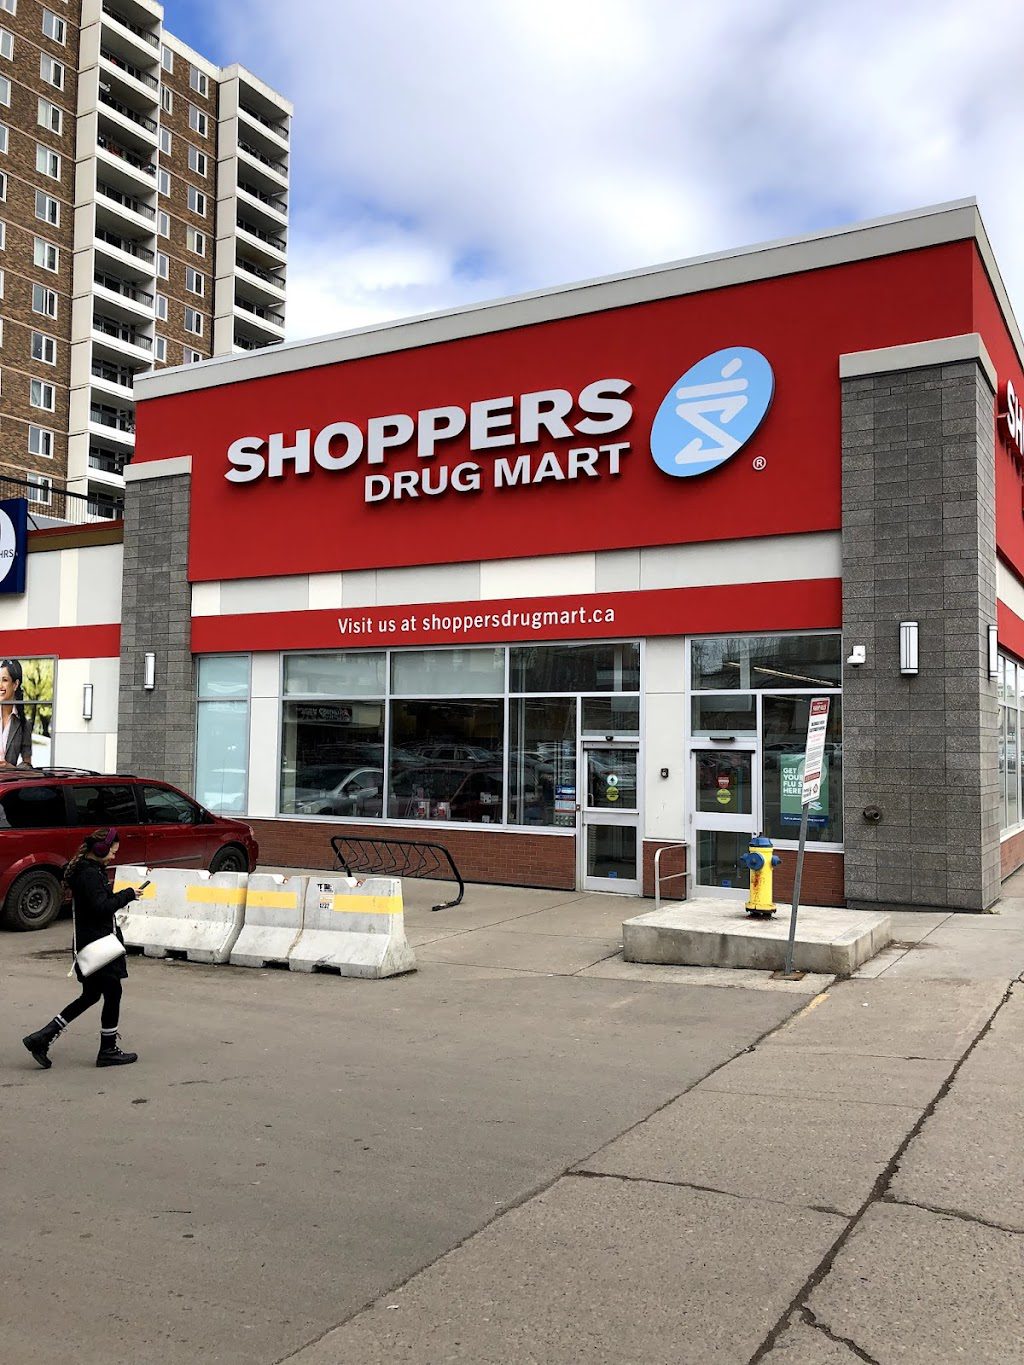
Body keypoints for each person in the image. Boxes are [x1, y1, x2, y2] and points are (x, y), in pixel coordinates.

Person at [22, 828, 139, 1069]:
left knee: (91, 995)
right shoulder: (89, 874)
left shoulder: (87, 870)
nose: (114, 856)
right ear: (100, 849)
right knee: (112, 992)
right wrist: (127, 895)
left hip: (89, 941)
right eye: (113, 851)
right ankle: (108, 1050)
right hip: (99, 944)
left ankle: (42, 1037)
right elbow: (101, 907)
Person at [0, 658, 33, 767]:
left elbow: (27, 765)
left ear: (15, 684)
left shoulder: (24, 724)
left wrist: (10, 768)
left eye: (4, 680)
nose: (0, 685)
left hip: (8, 778)